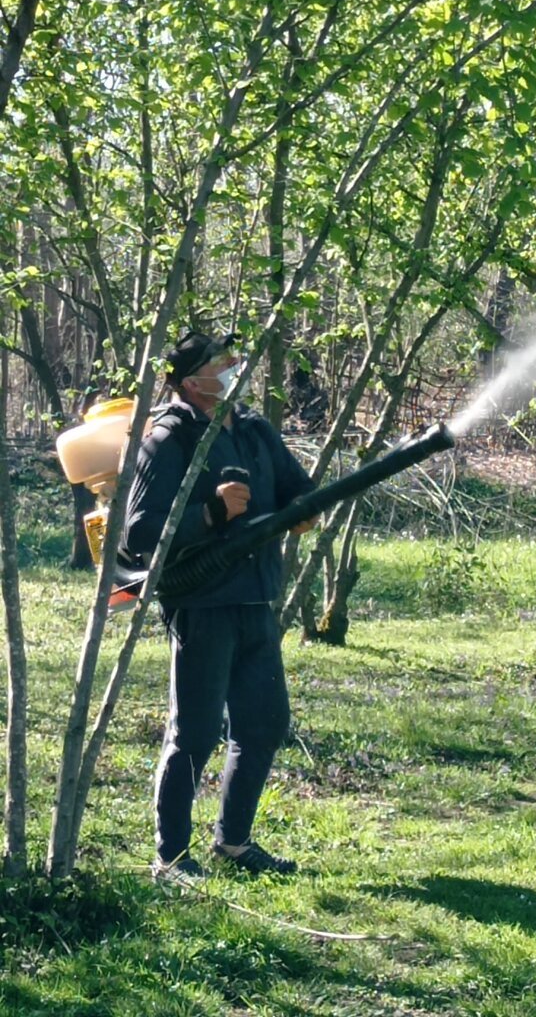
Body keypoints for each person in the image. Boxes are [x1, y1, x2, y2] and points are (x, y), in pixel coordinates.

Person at [121, 330, 316, 882]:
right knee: (196, 732)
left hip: (256, 598)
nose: (234, 365)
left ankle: (232, 843)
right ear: (190, 382)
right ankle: (171, 858)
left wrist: (304, 507)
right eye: (220, 361)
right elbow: (140, 534)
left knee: (264, 724)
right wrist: (210, 512)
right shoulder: (168, 439)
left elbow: (296, 488)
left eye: (232, 357)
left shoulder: (253, 429)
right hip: (202, 604)